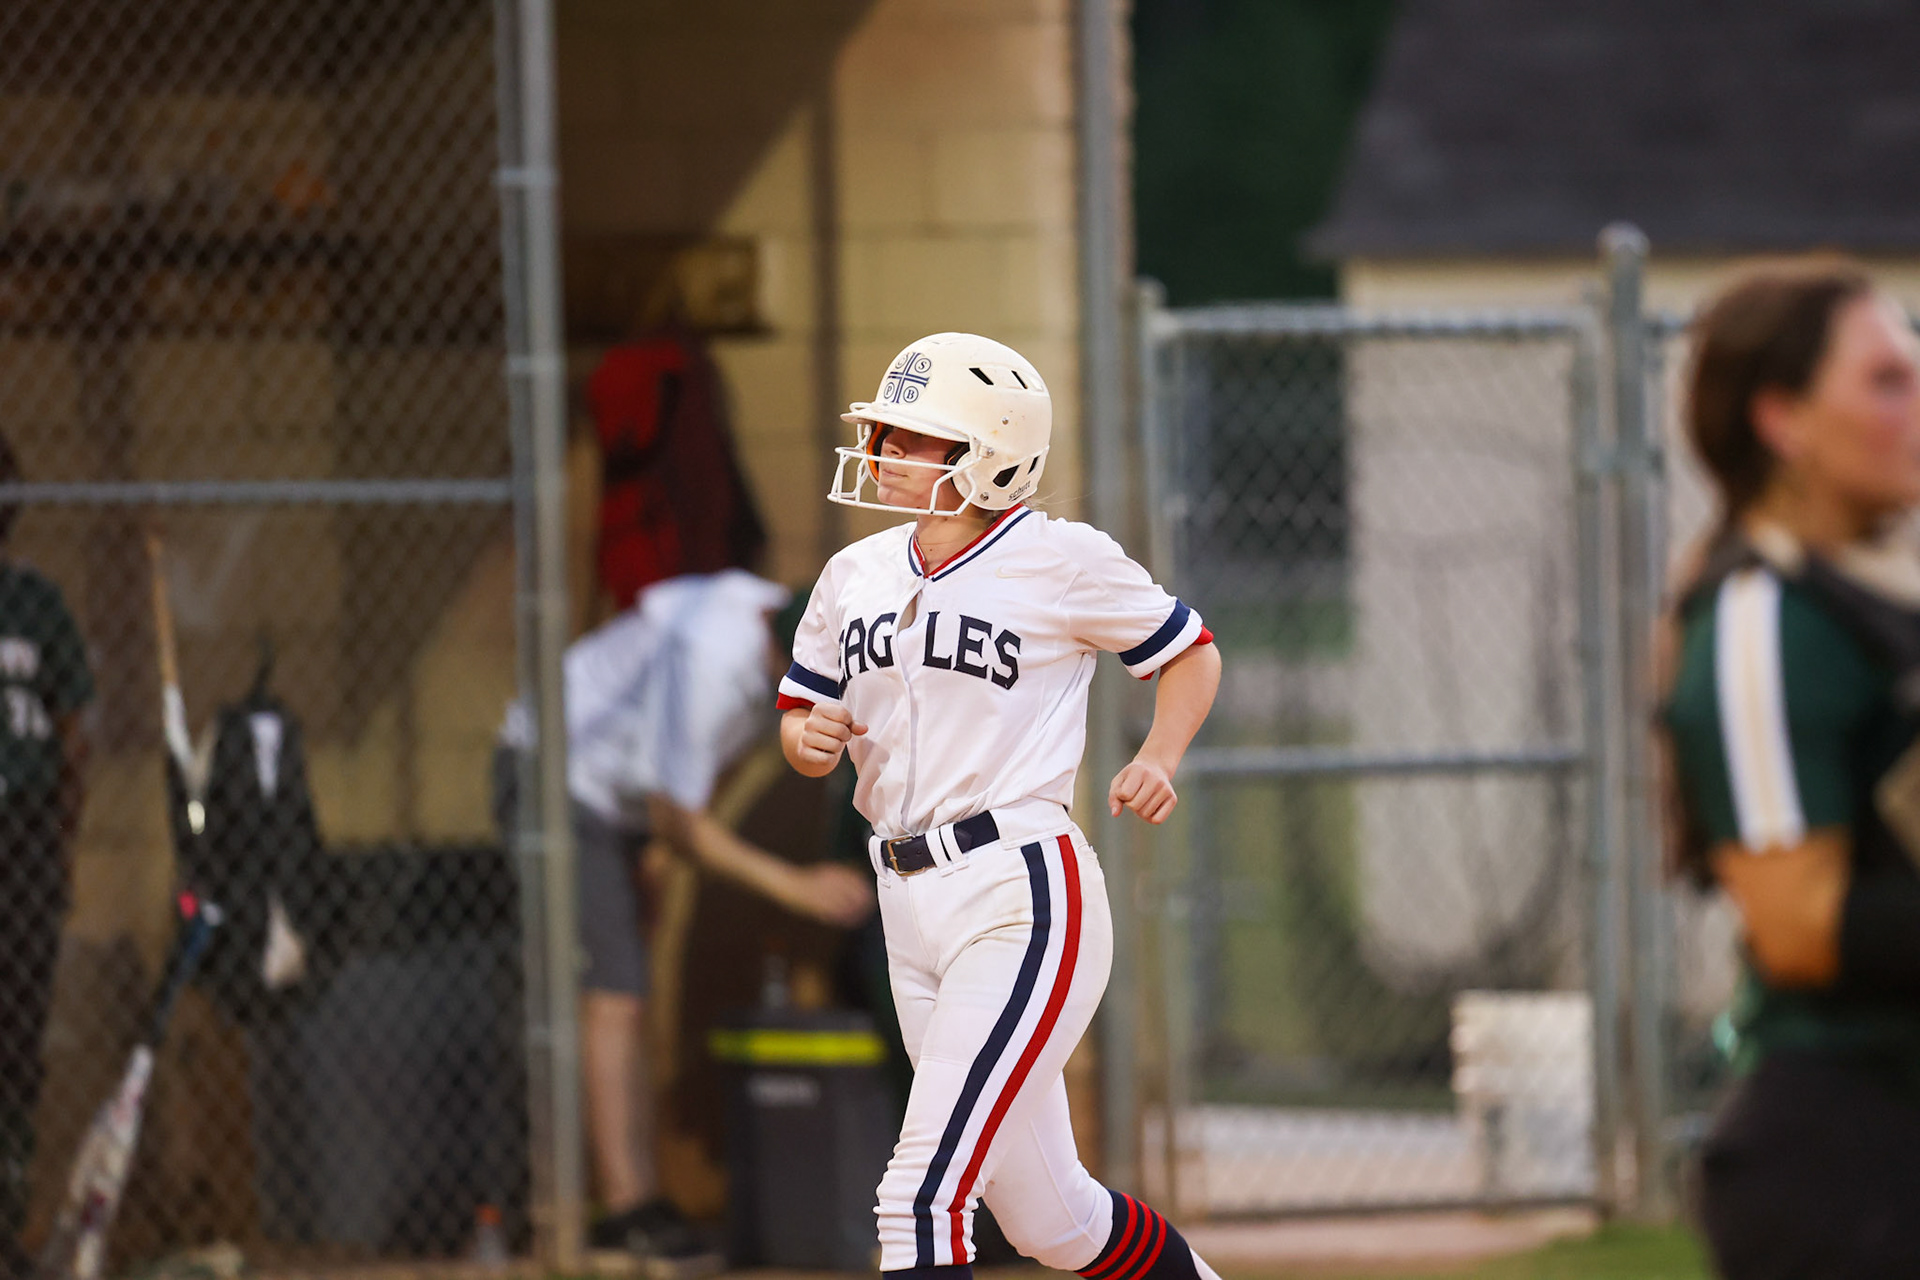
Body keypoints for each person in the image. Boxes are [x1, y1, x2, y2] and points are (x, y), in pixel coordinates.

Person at [777, 333, 1225, 1280]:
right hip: (906, 904)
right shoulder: (854, 573)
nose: (883, 451)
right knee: (1053, 1221)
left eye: (911, 437)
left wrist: (1160, 754)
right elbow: (804, 715)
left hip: (1017, 892)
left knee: (920, 1195)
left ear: (986, 456)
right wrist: (806, 741)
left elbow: (1189, 649)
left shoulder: (1058, 559)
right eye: (885, 433)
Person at [1661, 263, 1920, 1276]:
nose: (1914, 406)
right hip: (1846, 1156)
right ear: (1783, 417)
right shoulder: (1762, 617)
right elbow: (1798, 925)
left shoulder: (1874, 600)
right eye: (1886, 380)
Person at [496, 569, 873, 1262]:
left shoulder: (772, 636)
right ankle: (626, 1209)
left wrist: (664, 858)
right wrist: (796, 888)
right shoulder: (712, 654)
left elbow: (706, 775)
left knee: (626, 996)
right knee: (613, 998)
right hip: (558, 783)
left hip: (623, 801)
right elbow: (678, 814)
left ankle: (635, 1197)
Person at [0, 436, 91, 1278]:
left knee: (18, 1037)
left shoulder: (35, 602)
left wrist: (60, 844)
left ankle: (8, 1222)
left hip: (23, 831)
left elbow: (78, 732)